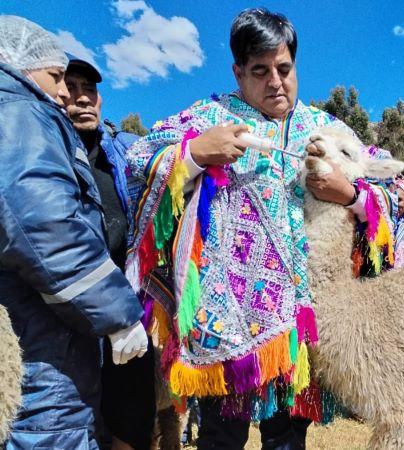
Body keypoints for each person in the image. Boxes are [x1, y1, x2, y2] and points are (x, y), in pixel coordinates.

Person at [124, 9, 386, 449]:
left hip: (299, 324)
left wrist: (351, 194)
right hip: (224, 319)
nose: (275, 82)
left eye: (284, 69)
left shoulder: (326, 128)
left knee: (287, 439)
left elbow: (391, 188)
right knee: (221, 437)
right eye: (260, 71)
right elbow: (139, 159)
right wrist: (194, 154)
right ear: (238, 72)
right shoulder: (211, 117)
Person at [0, 16, 147, 449]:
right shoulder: (20, 112)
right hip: (43, 345)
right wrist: (119, 314)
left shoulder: (117, 151)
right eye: (57, 78)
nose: (66, 93)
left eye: (83, 86)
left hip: (60, 328)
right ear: (17, 63)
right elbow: (42, 224)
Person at [64, 54, 155, 450]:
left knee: (133, 420)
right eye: (71, 89)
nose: (83, 99)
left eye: (91, 90)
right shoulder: (47, 157)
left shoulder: (122, 154)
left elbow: (162, 168)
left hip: (127, 311)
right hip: (71, 318)